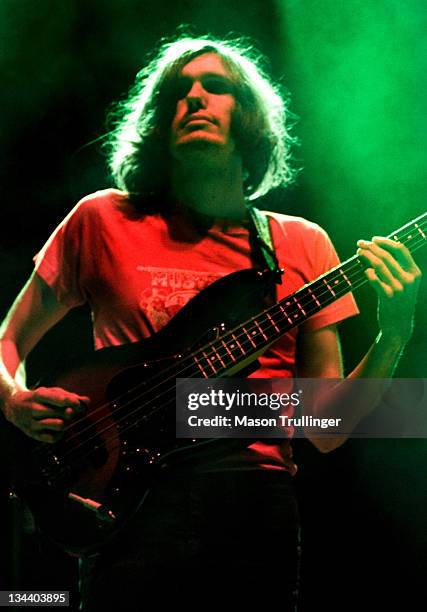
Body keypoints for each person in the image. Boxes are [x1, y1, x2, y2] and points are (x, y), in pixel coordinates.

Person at [0, 33, 422, 610]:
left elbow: (327, 428)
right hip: (126, 504)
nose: (194, 98)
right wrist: (11, 398)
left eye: (215, 87)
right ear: (158, 121)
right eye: (178, 91)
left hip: (253, 506)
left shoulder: (300, 243)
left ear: (248, 118)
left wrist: (394, 331)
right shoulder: (99, 220)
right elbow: (8, 338)